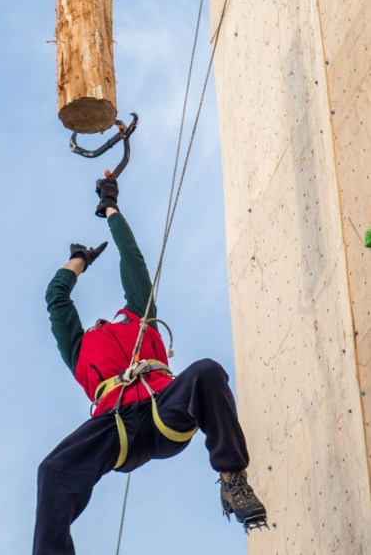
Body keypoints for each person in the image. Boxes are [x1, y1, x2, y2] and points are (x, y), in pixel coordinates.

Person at [32, 178, 267, 555]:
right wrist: (79, 260)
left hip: (163, 408)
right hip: (115, 424)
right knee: (53, 471)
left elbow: (133, 260)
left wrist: (110, 207)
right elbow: (56, 299)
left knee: (206, 370)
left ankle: (232, 477)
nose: (99, 323)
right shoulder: (79, 348)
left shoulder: (138, 319)